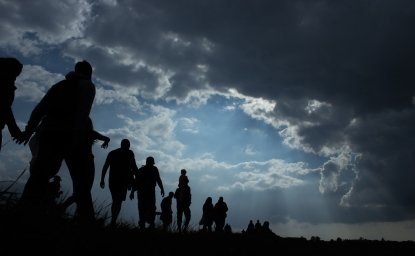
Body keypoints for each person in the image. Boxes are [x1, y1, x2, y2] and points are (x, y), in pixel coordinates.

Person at [17, 60, 96, 223]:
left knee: (40, 174)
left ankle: (24, 212)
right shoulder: (87, 85)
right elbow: (83, 112)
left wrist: (29, 130)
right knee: (81, 181)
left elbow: (41, 108)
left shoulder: (60, 85)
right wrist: (79, 136)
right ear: (89, 73)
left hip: (49, 132)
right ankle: (85, 220)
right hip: (69, 135)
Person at [61, 122, 110, 212]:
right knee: (83, 192)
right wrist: (105, 141)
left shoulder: (72, 132)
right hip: (86, 163)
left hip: (74, 162)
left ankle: (66, 210)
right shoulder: (89, 133)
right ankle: (64, 209)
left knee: (80, 192)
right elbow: (107, 138)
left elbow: (107, 138)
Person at [100, 138, 137, 226]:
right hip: (116, 180)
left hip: (121, 181)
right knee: (117, 200)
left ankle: (113, 220)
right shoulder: (114, 153)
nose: (128, 147)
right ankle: (113, 220)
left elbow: (134, 167)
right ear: (123, 145)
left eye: (128, 146)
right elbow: (105, 166)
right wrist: (102, 179)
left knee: (117, 200)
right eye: (127, 146)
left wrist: (135, 179)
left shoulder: (129, 153)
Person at [130, 156, 165, 229]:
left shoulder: (154, 169)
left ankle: (150, 224)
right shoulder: (142, 170)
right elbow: (136, 182)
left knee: (151, 208)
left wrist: (162, 188)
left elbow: (158, 179)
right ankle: (143, 224)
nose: (151, 164)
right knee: (142, 208)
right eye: (151, 163)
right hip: (143, 192)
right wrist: (132, 192)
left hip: (150, 192)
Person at [0, 57, 23, 152]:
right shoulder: (5, 86)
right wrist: (16, 132)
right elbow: (5, 109)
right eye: (14, 75)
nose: (14, 79)